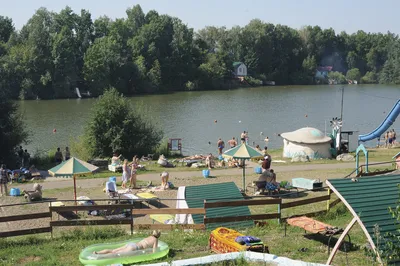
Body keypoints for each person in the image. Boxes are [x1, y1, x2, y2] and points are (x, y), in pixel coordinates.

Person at [94, 230, 161, 254]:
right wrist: (149, 252)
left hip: (132, 244)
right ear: (158, 236)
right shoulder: (155, 240)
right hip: (135, 248)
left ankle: (98, 252)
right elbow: (154, 251)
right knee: (115, 254)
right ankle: (100, 257)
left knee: (113, 251)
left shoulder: (148, 237)